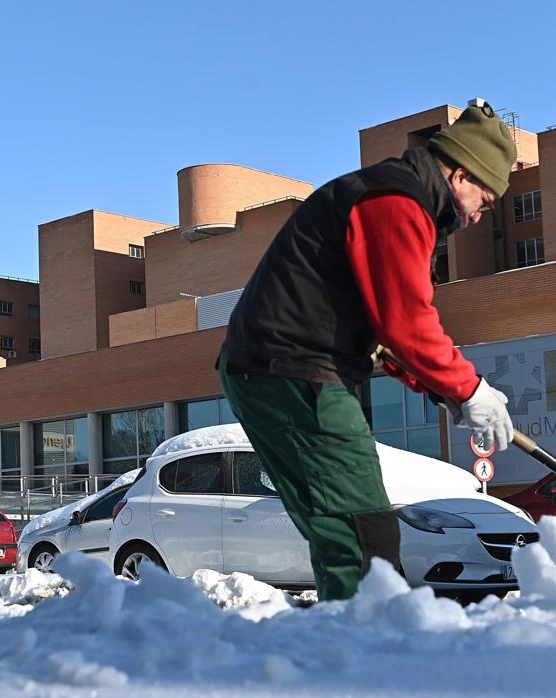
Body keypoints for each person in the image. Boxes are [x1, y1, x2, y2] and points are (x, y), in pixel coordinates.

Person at [218, 100, 516, 601]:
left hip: (282, 369)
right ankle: (376, 651)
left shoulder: (393, 198)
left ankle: (356, 641)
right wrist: (470, 388)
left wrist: (448, 393)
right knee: (361, 530)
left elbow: (384, 335)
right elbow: (406, 319)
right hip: (296, 371)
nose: (479, 218)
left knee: (346, 527)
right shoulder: (395, 202)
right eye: (484, 201)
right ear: (461, 174)